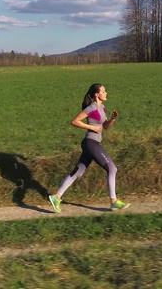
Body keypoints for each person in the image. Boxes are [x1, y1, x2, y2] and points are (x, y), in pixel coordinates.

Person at [49, 83, 130, 213]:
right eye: (104, 91)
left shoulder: (102, 108)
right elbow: (75, 121)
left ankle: (56, 197)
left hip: (93, 143)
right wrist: (91, 127)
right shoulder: (91, 108)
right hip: (91, 143)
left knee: (78, 171)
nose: (106, 93)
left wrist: (113, 119)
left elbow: (104, 127)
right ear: (97, 94)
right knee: (112, 168)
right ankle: (113, 201)